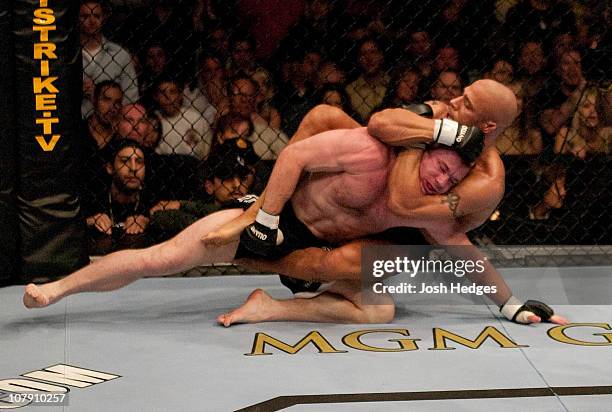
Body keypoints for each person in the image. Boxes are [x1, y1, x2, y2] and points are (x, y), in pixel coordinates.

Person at [23, 80, 565, 327]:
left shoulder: (458, 187)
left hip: (347, 247)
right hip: (290, 219)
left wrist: (507, 302)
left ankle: (270, 304)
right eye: (441, 164)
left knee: (380, 304)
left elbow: (456, 244)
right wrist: (263, 213)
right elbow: (304, 152)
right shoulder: (372, 147)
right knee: (164, 256)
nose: (441, 177)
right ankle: (59, 288)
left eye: (449, 174)